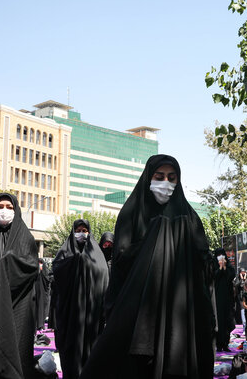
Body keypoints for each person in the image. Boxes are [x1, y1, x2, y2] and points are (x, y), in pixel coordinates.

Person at [80, 154, 214, 379]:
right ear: (148, 177)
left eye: (172, 178)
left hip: (178, 311)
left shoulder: (188, 216)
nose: (166, 183)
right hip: (139, 308)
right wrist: (156, 238)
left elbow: (202, 259)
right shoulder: (132, 212)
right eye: (159, 176)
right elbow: (121, 259)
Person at [0, 192, 39, 378]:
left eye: (9, 208)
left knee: (16, 354)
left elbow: (32, 265)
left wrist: (5, 263)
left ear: (16, 210)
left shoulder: (25, 235)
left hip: (17, 307)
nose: (4, 211)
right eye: (0, 207)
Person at [52, 219, 109, 379]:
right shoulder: (65, 251)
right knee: (70, 351)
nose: (81, 233)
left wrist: (85, 265)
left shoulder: (97, 254)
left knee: (90, 352)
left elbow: (103, 274)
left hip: (91, 314)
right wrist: (76, 263)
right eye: (78, 230)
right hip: (69, 313)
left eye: (85, 230)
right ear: (73, 232)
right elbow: (56, 270)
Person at [213, 247, 235, 352]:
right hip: (217, 299)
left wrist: (225, 267)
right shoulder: (213, 265)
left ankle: (226, 343)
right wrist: (220, 268)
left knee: (227, 321)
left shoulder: (229, 266)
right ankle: (218, 344)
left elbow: (231, 276)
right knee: (219, 321)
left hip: (227, 299)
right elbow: (213, 277)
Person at [34, 257, 51, 331]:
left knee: (41, 309)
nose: (39, 265)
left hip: (42, 294)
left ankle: (40, 325)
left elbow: (47, 279)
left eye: (40, 264)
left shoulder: (44, 271)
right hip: (35, 293)